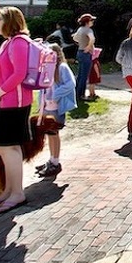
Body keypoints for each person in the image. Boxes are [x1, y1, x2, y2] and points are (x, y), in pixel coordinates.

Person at [0, 5, 32, 215]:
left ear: (9, 22)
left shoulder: (19, 43)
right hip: (6, 101)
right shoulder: (9, 43)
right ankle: (8, 190)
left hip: (15, 102)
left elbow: (19, 74)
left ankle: (17, 192)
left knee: (8, 147)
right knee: (5, 147)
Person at [35, 44, 77, 177]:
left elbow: (71, 84)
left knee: (54, 133)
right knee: (49, 133)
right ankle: (51, 158)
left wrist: (56, 95)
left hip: (55, 107)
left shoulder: (62, 67)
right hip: (46, 106)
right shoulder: (46, 68)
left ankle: (55, 161)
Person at [73, 13, 97, 100]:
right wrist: (89, 46)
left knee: (80, 74)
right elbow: (92, 39)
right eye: (91, 20)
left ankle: (76, 93)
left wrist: (81, 43)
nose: (92, 22)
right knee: (84, 75)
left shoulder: (80, 29)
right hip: (86, 53)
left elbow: (75, 38)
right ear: (87, 22)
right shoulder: (88, 30)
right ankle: (81, 95)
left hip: (79, 52)